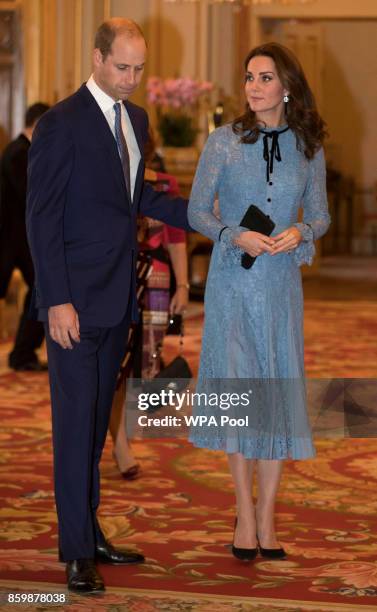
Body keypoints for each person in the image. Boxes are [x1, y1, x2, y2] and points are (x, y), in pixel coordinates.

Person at [26, 18, 190, 594]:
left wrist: (203, 218)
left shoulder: (137, 120)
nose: (132, 79)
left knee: (96, 426)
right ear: (97, 59)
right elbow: (40, 219)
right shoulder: (59, 124)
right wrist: (57, 302)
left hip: (118, 296)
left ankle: (89, 531)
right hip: (73, 304)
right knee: (74, 429)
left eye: (140, 69)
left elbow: (135, 196)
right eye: (123, 67)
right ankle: (75, 552)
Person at [188, 43, 330, 561]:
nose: (253, 86)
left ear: (286, 86)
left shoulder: (309, 147)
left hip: (279, 289)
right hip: (231, 285)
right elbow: (197, 211)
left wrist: (301, 231)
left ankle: (267, 518)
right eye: (249, 77)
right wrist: (232, 234)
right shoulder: (223, 142)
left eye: (264, 78)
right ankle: (243, 518)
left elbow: (321, 214)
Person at [109, 164, 189, 479]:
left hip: (156, 279)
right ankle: (119, 444)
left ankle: (122, 434)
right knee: (116, 365)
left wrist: (182, 285)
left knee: (146, 366)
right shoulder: (110, 174)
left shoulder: (165, 184)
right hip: (119, 279)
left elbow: (176, 238)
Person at [0, 103, 49, 371]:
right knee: (42, 290)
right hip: (15, 242)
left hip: (20, 241)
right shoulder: (19, 153)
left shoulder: (23, 151)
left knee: (41, 291)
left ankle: (23, 353)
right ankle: (22, 353)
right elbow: (31, 197)